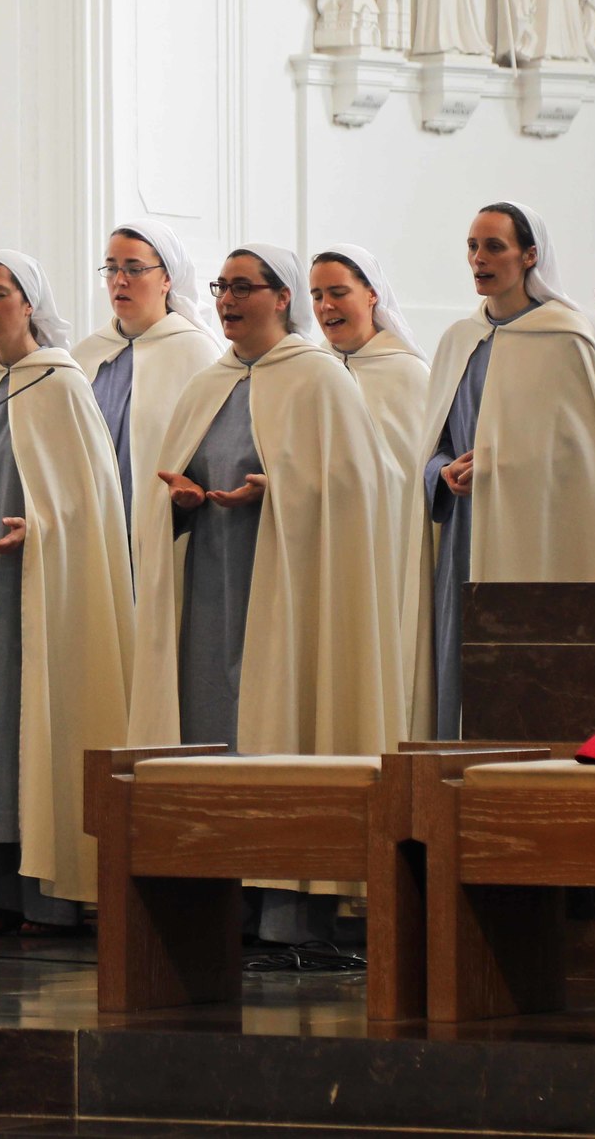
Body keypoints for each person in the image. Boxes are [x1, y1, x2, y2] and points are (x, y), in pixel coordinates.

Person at [131, 244, 402, 943]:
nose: (226, 299)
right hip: (212, 594)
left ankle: (289, 909)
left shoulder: (318, 380)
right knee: (212, 737)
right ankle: (219, 907)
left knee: (282, 733)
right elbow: (170, 481)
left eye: (243, 287)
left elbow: (363, 489)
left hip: (290, 598)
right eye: (221, 286)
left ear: (282, 298)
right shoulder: (208, 384)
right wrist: (180, 500)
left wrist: (280, 493)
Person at [0, 251, 134, 937]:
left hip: (40, 595)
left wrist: (40, 529)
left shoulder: (61, 385)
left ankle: (42, 895)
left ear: (29, 302)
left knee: (28, 732)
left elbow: (91, 503)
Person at [418, 202, 595, 740]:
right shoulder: (459, 341)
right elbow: (434, 446)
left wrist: (508, 468)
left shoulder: (566, 339)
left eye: (495, 247)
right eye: (473, 246)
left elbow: (581, 468)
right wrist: (443, 472)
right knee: (460, 667)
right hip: (465, 535)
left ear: (530, 255)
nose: (479, 259)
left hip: (538, 539)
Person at [310, 245, 434, 736]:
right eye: (316, 295)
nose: (326, 306)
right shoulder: (309, 370)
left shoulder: (407, 374)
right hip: (319, 545)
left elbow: (411, 474)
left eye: (338, 292)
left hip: (387, 549)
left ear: (372, 295)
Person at [70, 220, 223, 579]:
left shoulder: (195, 351)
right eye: (111, 268)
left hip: (166, 531)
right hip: (91, 531)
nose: (119, 280)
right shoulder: (86, 354)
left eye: (134, 269)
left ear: (167, 278)